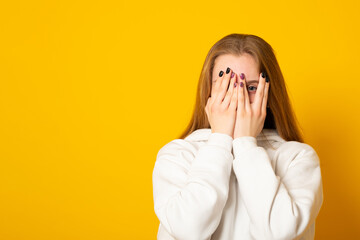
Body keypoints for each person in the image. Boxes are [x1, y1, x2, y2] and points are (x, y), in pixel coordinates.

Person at [152, 33, 323, 240]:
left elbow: (279, 233)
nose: (238, 97)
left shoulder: (298, 158)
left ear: (267, 95)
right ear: (208, 91)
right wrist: (220, 140)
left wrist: (245, 144)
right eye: (226, 85)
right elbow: (188, 232)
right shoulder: (177, 155)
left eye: (251, 88)